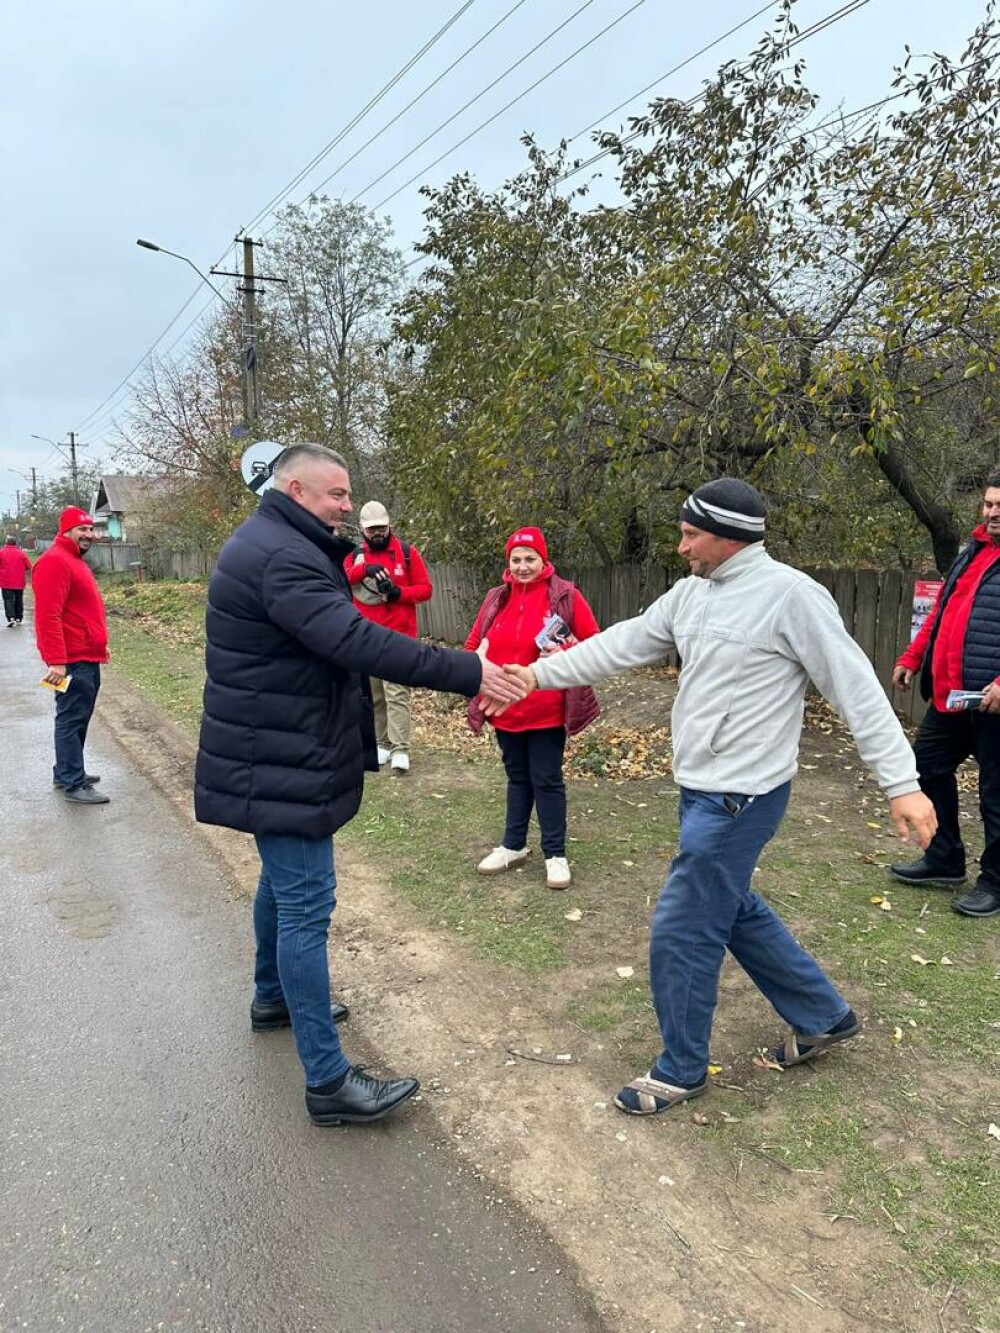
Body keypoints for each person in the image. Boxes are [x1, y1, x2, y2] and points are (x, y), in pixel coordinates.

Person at [500, 479, 936, 1117]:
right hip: (699, 788)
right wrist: (535, 674)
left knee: (682, 927)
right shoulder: (691, 595)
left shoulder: (791, 597)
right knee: (730, 908)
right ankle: (823, 1015)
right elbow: (621, 643)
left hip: (743, 798)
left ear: (729, 536)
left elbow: (855, 686)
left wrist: (902, 783)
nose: (680, 548)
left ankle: (680, 1068)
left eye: (690, 535)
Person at [194, 443, 525, 1128]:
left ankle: (272, 997)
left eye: (348, 495)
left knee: (281, 887)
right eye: (335, 494)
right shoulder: (282, 556)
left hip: (277, 750)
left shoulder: (277, 541)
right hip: (281, 756)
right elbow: (358, 641)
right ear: (293, 488)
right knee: (307, 905)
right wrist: (470, 670)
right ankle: (328, 1081)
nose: (347, 505)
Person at [465, 527, 600, 890]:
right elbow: (474, 643)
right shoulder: (497, 597)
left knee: (547, 780)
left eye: (530, 559)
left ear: (544, 559)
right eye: (516, 560)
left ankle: (555, 855)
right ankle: (513, 846)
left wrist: (565, 648)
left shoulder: (565, 596)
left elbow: (594, 646)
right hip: (503, 709)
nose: (523, 566)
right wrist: (472, 672)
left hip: (546, 710)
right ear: (508, 562)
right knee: (517, 778)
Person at [890, 472, 1000, 920]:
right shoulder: (971, 551)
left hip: (994, 703)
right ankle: (945, 857)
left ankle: (995, 881)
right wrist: (914, 655)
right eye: (989, 504)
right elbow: (942, 610)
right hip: (952, 696)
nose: (993, 514)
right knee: (925, 766)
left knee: (996, 795)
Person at [344, 499, 432, 775]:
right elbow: (341, 579)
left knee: (397, 692)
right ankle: (381, 742)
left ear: (389, 525)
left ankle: (400, 748)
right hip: (366, 634)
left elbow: (425, 589)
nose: (377, 533)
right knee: (375, 693)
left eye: (381, 528)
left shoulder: (407, 553)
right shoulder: (355, 554)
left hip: (400, 635)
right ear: (361, 529)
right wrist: (364, 570)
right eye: (372, 530)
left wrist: (399, 594)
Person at [33, 507, 110, 805]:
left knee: (79, 717)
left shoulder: (74, 561)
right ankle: (72, 783)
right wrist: (56, 661)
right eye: (82, 530)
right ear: (66, 532)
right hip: (72, 660)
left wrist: (100, 645)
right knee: (70, 718)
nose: (89, 535)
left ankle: (67, 769)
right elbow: (48, 617)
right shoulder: (54, 562)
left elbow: (81, 612)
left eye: (91, 529)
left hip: (86, 654)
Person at [0, 535, 31, 627]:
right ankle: (18, 618)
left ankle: (11, 618)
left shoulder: (1, 553)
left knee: (8, 600)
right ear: (15, 543)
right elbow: (28, 566)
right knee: (19, 599)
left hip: (5, 581)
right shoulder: (21, 553)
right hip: (19, 581)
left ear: (6, 543)